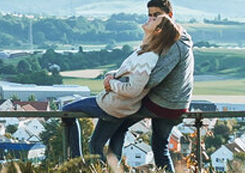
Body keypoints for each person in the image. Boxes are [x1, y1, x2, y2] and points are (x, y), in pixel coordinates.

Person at [62, 11, 182, 158]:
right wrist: (112, 75)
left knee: (66, 111)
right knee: (95, 145)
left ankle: (75, 160)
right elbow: (127, 72)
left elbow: (133, 89)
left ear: (158, 30)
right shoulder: (144, 50)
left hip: (113, 104)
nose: (149, 18)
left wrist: (111, 83)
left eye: (154, 19)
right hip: (118, 106)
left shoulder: (148, 57)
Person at [107, 0, 194, 171]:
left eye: (157, 15)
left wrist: (120, 82)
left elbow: (153, 78)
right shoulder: (176, 38)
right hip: (174, 104)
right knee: (160, 148)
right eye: (149, 16)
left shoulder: (175, 44)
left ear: (169, 15)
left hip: (164, 104)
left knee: (118, 126)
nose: (152, 20)